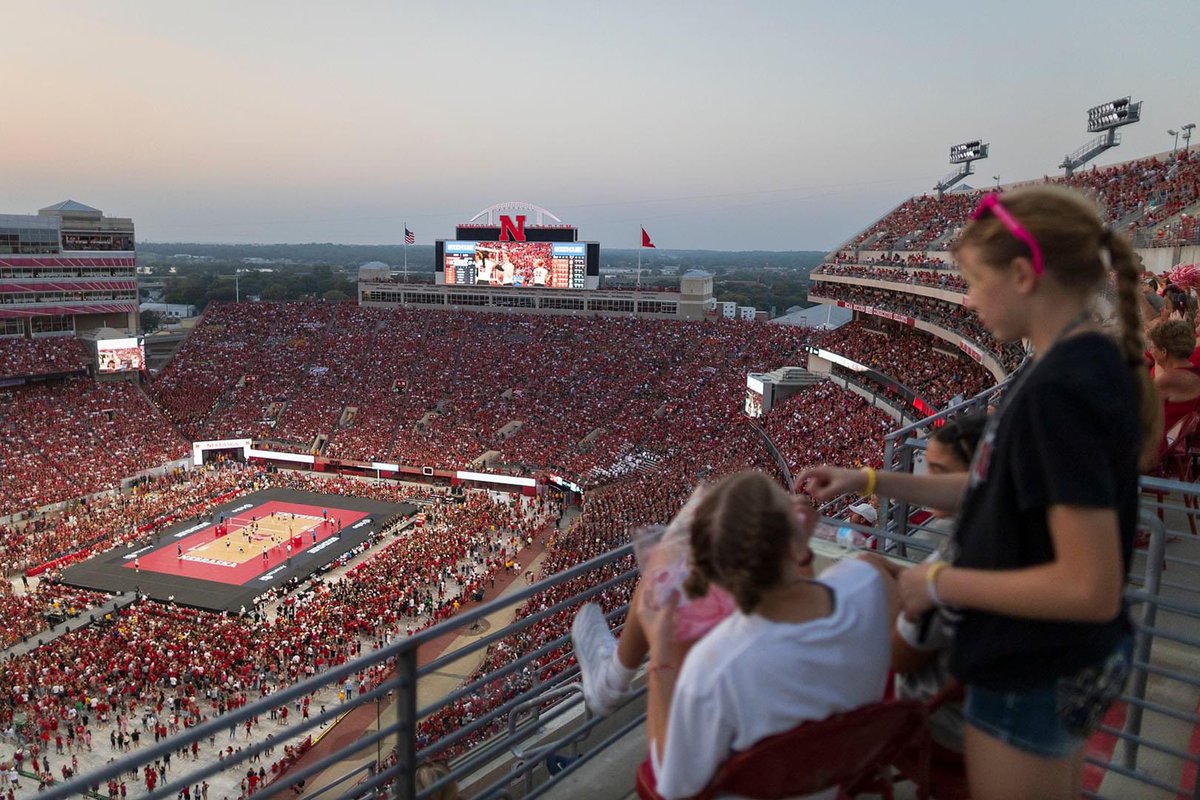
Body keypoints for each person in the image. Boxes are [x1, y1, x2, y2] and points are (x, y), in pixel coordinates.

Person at [800, 186, 1159, 800]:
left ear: (1022, 275)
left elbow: (1088, 587)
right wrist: (867, 480)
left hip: (1031, 663)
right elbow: (996, 486)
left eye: (972, 281)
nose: (966, 299)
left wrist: (935, 583)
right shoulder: (1070, 365)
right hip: (1044, 657)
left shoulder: (1061, 389)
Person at [640, 471, 893, 800]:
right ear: (795, 543)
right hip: (838, 777)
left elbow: (674, 788)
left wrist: (660, 657)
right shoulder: (868, 582)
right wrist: (802, 550)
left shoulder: (715, 668)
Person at [1148, 319, 1200, 454]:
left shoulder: (1168, 380)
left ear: (1164, 352)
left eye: (1152, 347)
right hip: (1176, 443)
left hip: (1160, 450)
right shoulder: (1194, 372)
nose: (1150, 351)